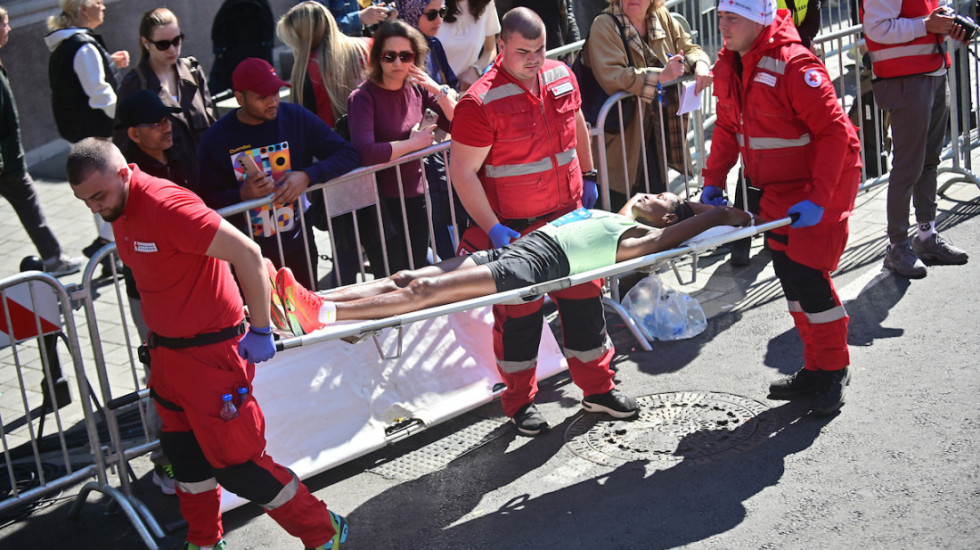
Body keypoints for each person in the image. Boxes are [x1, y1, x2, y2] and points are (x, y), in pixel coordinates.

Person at [66, 138, 348, 550]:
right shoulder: (120, 207)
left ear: (125, 173)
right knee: (185, 460)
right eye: (83, 201)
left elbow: (248, 254)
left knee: (239, 465)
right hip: (168, 360)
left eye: (98, 196)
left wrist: (261, 329)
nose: (94, 208)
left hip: (211, 359)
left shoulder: (167, 205)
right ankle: (204, 541)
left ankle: (324, 530)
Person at [449, 8, 637, 436]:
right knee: (520, 320)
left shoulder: (559, 76)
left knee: (585, 306)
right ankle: (519, 404)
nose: (533, 59)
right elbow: (462, 172)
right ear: (501, 47)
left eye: (539, 50)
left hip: (569, 218)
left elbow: (578, 126)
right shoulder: (479, 102)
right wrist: (493, 228)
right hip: (517, 230)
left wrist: (588, 177)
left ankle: (598, 391)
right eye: (522, 51)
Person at [700, 0, 862, 415]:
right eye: (720, 16)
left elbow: (836, 136)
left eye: (731, 17)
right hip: (778, 192)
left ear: (758, 19)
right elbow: (727, 126)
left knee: (809, 281)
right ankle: (815, 366)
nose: (722, 25)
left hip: (816, 188)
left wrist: (820, 199)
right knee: (790, 278)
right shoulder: (732, 63)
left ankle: (833, 369)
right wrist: (713, 181)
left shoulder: (794, 64)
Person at [274, 193, 752, 328]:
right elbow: (639, 209)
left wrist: (723, 214)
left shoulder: (638, 238)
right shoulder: (614, 214)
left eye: (659, 196)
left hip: (532, 265)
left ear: (665, 214)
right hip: (516, 249)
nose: (647, 192)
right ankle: (311, 298)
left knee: (420, 293)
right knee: (406, 276)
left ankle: (327, 315)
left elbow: (670, 234)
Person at [197, 58, 360, 292]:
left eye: (275, 93)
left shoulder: (295, 117)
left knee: (305, 320)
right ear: (240, 99)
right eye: (262, 97)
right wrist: (241, 195)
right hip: (245, 255)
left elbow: (347, 154)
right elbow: (204, 202)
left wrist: (307, 175)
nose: (273, 101)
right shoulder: (215, 139)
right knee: (261, 326)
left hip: (298, 247)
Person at [862, 0, 970, 278]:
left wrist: (948, 26)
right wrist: (927, 25)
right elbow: (876, 29)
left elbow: (931, 17)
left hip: (932, 74)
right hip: (906, 80)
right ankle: (897, 246)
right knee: (909, 166)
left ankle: (926, 236)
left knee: (930, 161)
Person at [348, 20, 457, 273]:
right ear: (377, 57)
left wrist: (435, 88)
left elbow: (459, 122)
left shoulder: (418, 89)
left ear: (415, 57)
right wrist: (411, 145)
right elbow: (365, 151)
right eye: (389, 56)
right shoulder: (363, 97)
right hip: (381, 205)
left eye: (405, 56)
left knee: (418, 271)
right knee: (392, 276)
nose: (398, 63)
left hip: (417, 196)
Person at [582, 0, 711, 211]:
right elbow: (612, 76)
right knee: (621, 209)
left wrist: (700, 64)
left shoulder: (662, 17)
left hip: (657, 133)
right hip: (620, 134)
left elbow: (690, 48)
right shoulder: (604, 25)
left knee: (656, 206)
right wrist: (661, 76)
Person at [45, 0, 131, 274]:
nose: (103, 6)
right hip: (98, 134)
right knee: (112, 191)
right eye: (97, 2)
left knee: (98, 193)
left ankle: (108, 253)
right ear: (83, 9)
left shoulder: (67, 45)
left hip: (81, 135)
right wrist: (128, 117)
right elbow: (100, 95)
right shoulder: (83, 47)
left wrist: (108, 61)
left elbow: (80, 80)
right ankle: (106, 247)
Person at [0, 8, 81, 277]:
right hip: (7, 164)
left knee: (30, 207)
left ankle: (53, 258)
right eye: (5, 24)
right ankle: (54, 259)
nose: (9, 29)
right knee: (30, 207)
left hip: (9, 159)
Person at [399, 0, 470, 262]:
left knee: (456, 213)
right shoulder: (400, 50)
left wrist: (444, 92)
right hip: (417, 151)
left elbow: (449, 84)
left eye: (442, 12)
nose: (439, 19)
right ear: (413, 13)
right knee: (436, 223)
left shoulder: (435, 45)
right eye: (431, 14)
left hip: (444, 143)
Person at [114, 8, 217, 169]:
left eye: (177, 40)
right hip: (168, 184)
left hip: (206, 177)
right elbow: (123, 146)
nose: (172, 49)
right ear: (146, 43)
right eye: (163, 44)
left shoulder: (193, 71)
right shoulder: (135, 85)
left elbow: (211, 126)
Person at [277, 1, 371, 129]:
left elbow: (303, 126)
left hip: (333, 143)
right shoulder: (368, 46)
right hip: (384, 139)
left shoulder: (307, 70)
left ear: (301, 39)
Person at [437, 0, 501, 90]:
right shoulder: (432, 3)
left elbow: (490, 50)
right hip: (427, 91)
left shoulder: (487, 4)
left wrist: (475, 70)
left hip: (460, 95)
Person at [321, 0, 398, 36]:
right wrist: (359, 18)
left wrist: (384, 17)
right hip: (340, 59)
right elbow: (318, 28)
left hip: (369, 55)